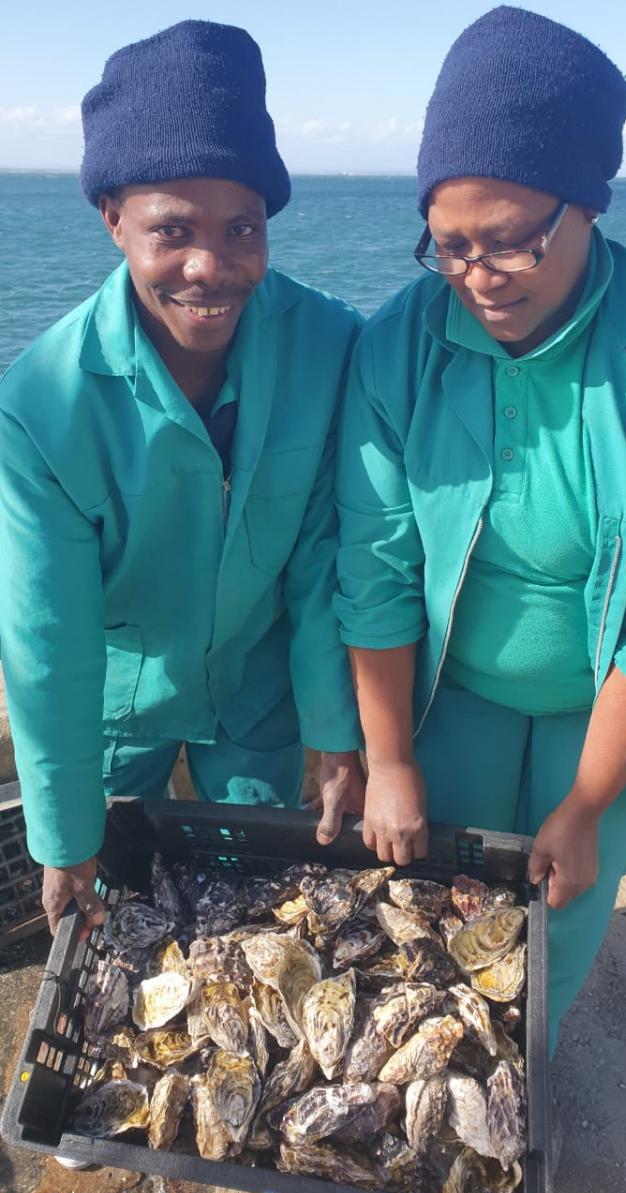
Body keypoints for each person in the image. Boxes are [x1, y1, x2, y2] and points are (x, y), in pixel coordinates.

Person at [335, 6, 626, 1052]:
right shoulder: (397, 347)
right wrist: (388, 759)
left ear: (589, 205)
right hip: (454, 689)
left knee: (554, 922)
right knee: (439, 915)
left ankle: (526, 1082)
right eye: (451, 244)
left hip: (599, 710)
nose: (477, 276)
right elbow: (377, 567)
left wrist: (586, 800)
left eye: (514, 242)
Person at [0, 20, 365, 935]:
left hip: (260, 685)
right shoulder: (42, 405)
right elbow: (48, 642)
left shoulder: (329, 346)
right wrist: (62, 832)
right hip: (119, 700)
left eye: (241, 227)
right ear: (111, 217)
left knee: (252, 902)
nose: (210, 265)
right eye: (173, 229)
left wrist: (337, 731)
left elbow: (325, 555)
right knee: (114, 905)